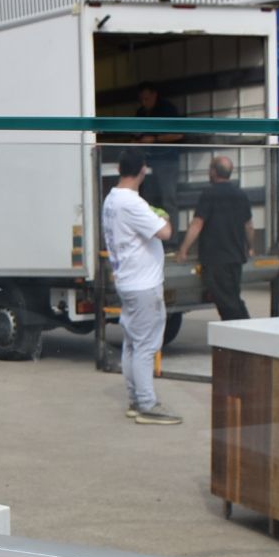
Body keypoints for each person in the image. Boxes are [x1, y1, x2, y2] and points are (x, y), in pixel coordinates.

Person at [102, 149, 180, 425]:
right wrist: (164, 214)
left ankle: (136, 399)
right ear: (142, 170)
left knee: (133, 344)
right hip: (144, 285)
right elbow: (165, 232)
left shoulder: (111, 200)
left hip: (127, 281)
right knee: (146, 345)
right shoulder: (132, 204)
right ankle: (148, 405)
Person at [176, 155, 254, 321]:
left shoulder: (209, 194)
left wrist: (183, 250)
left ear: (213, 171)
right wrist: (250, 247)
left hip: (216, 259)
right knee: (232, 297)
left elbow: (197, 223)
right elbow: (249, 225)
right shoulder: (241, 195)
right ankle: (242, 333)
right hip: (236, 258)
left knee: (227, 302)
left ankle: (243, 333)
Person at [133, 83, 184, 211]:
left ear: (154, 95)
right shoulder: (141, 112)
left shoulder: (167, 109)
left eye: (147, 99)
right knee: (148, 200)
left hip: (167, 160)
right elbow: (137, 135)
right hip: (147, 162)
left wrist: (154, 139)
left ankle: (171, 231)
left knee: (168, 199)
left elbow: (179, 134)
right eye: (142, 100)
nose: (144, 103)